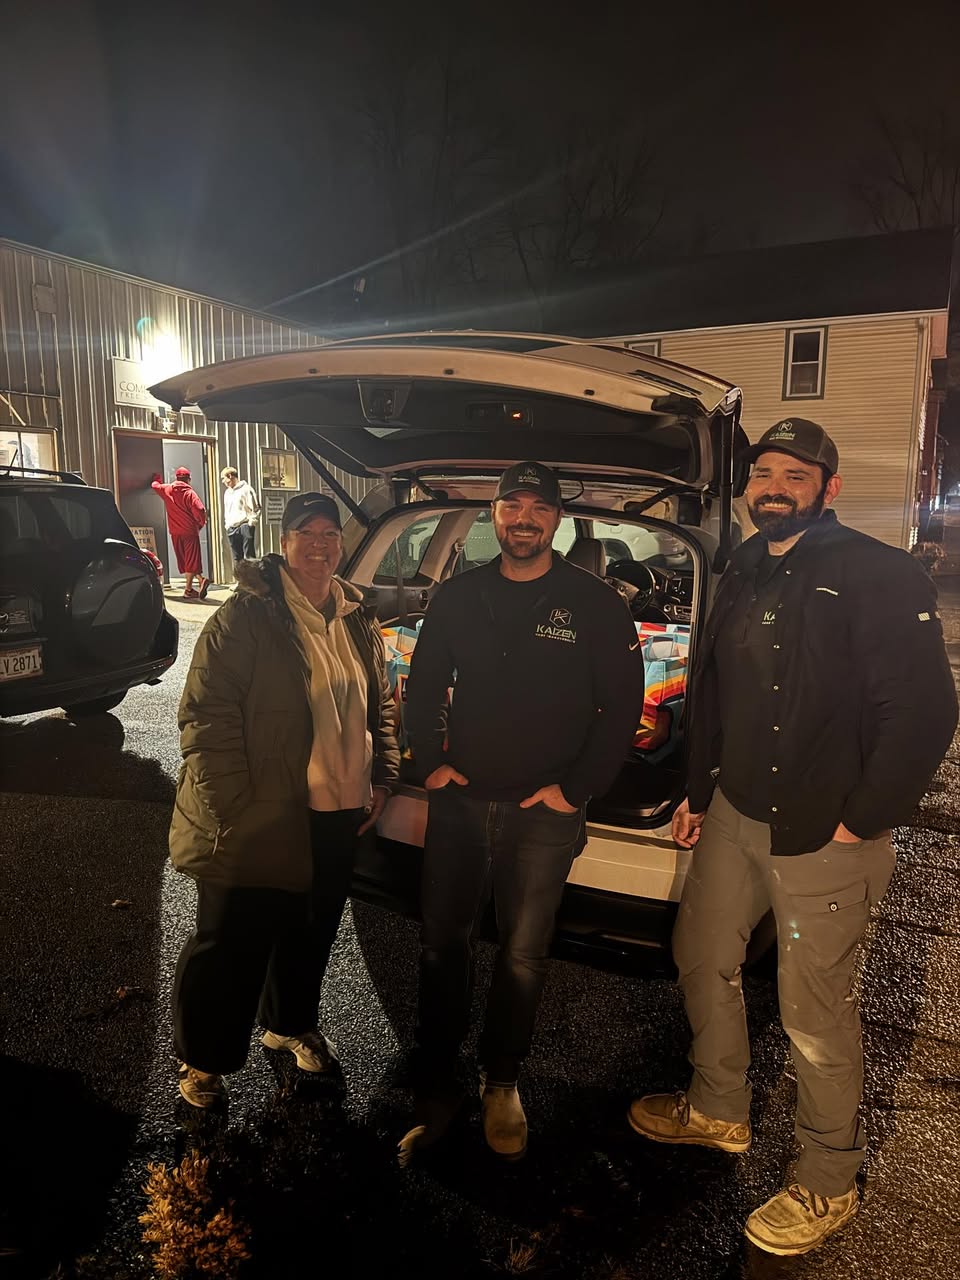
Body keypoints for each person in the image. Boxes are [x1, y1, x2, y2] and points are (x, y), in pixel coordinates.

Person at [627, 419, 957, 1255]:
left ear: (829, 487)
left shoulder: (876, 573)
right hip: (735, 811)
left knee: (816, 1013)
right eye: (763, 472)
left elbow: (923, 713)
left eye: (794, 474)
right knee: (701, 955)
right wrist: (698, 791)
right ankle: (719, 1108)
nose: (773, 485)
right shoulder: (739, 566)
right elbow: (712, 691)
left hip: (825, 833)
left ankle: (826, 1181)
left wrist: (863, 817)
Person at [398, 461, 646, 1163]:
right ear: (495, 516)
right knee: (441, 944)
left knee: (522, 956)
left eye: (538, 507)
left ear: (557, 520)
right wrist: (428, 764)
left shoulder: (595, 604)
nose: (524, 519)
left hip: (544, 812)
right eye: (512, 506)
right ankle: (437, 1072)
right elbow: (422, 687)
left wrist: (576, 791)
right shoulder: (459, 595)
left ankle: (501, 1081)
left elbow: (620, 708)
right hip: (460, 804)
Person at [169, 491, 400, 1108]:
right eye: (306, 533)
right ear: (282, 541)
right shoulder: (246, 618)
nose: (319, 546)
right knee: (232, 940)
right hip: (261, 811)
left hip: (337, 809)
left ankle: (288, 1025)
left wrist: (382, 775)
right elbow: (205, 718)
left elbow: (380, 705)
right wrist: (234, 806)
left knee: (310, 930)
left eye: (330, 534)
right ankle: (203, 1063)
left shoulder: (355, 615)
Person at [151, 467, 209, 599]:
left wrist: (156, 478)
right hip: (189, 531)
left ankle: (200, 581)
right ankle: (189, 590)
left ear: (176, 478)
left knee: (184, 559)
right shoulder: (190, 493)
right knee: (192, 559)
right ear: (188, 479)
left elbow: (154, 485)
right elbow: (200, 509)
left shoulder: (167, 489)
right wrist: (200, 523)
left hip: (175, 532)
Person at [221, 466, 261, 564]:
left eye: (224, 478)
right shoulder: (227, 493)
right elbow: (227, 510)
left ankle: (251, 578)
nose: (223, 481)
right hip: (232, 526)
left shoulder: (246, 489)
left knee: (248, 555)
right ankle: (240, 578)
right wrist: (227, 525)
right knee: (236, 557)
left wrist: (251, 522)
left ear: (230, 476)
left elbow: (255, 507)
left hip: (244, 524)